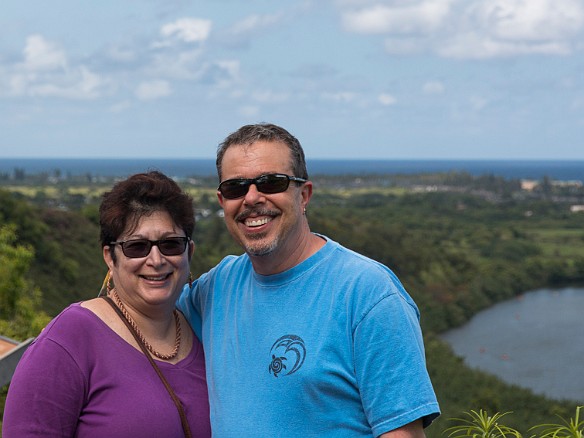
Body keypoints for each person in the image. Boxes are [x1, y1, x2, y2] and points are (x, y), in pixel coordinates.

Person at [177, 123, 440, 437]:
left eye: (271, 182)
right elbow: (138, 321)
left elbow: (402, 433)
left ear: (304, 195)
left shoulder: (367, 293)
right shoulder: (217, 287)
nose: (251, 198)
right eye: (236, 187)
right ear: (222, 202)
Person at [3, 171, 211, 438]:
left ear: (189, 252)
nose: (156, 259)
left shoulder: (202, 328)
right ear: (110, 258)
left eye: (171, 244)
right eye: (137, 246)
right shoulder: (69, 340)